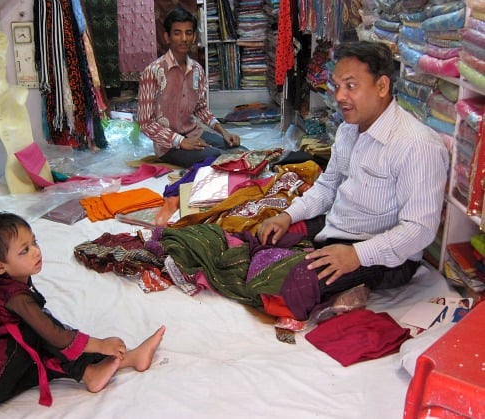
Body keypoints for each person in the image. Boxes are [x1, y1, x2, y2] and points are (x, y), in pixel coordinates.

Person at [257, 41, 449, 300]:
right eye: (337, 86)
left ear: (382, 86)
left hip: (382, 254)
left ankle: (355, 284)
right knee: (261, 237)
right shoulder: (349, 130)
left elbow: (419, 229)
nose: (338, 97)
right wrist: (288, 216)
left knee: (289, 285)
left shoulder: (417, 145)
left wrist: (357, 256)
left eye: (351, 86)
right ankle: (340, 278)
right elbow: (327, 187)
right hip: (338, 227)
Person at [0, 212, 165, 407]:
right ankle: (92, 372)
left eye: (34, 242)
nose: (36, 251)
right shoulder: (14, 297)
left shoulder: (12, 282)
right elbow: (54, 335)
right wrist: (99, 344)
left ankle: (113, 365)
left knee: (46, 342)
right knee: (42, 332)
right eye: (24, 250)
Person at [137, 6, 242, 168]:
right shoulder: (152, 72)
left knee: (240, 151)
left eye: (189, 32)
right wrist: (181, 141)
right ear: (167, 37)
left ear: (194, 36)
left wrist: (223, 132)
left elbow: (200, 108)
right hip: (169, 145)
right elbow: (145, 122)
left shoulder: (197, 70)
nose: (184, 38)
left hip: (195, 133)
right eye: (177, 33)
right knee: (215, 157)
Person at [0, 32, 53, 194]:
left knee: (52, 199)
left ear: (4, 60)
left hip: (34, 158)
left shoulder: (19, 93)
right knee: (28, 205)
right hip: (14, 165)